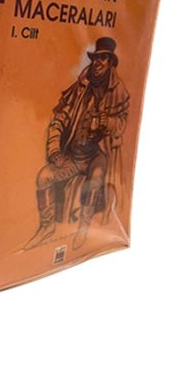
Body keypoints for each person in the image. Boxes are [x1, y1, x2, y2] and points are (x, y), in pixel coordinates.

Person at [24, 37, 130, 251]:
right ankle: (47, 227)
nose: (98, 63)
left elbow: (121, 124)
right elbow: (59, 119)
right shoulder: (81, 87)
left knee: (97, 176)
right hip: (72, 155)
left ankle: (84, 226)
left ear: (110, 62)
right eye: (96, 58)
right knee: (44, 177)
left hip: (95, 155)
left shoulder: (119, 91)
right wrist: (55, 152)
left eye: (103, 58)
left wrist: (107, 122)